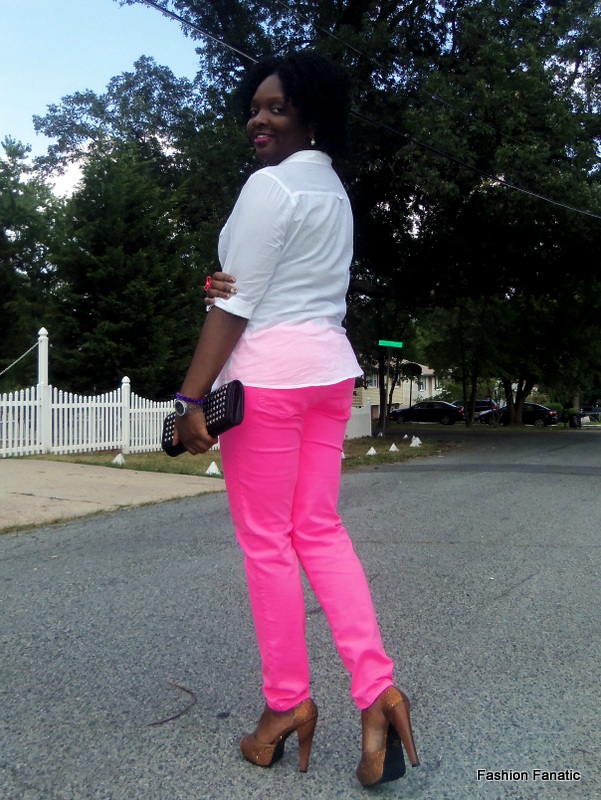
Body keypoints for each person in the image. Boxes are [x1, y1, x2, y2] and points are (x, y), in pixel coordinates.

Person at [174, 50, 419, 787]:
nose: (259, 119)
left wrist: (190, 400)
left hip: (270, 379)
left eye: (276, 107)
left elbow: (237, 306)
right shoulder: (332, 191)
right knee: (318, 529)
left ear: (311, 115)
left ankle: (285, 705)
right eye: (255, 107)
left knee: (267, 543)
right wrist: (228, 286)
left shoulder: (270, 185)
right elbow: (269, 284)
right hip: (327, 374)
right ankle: (378, 694)